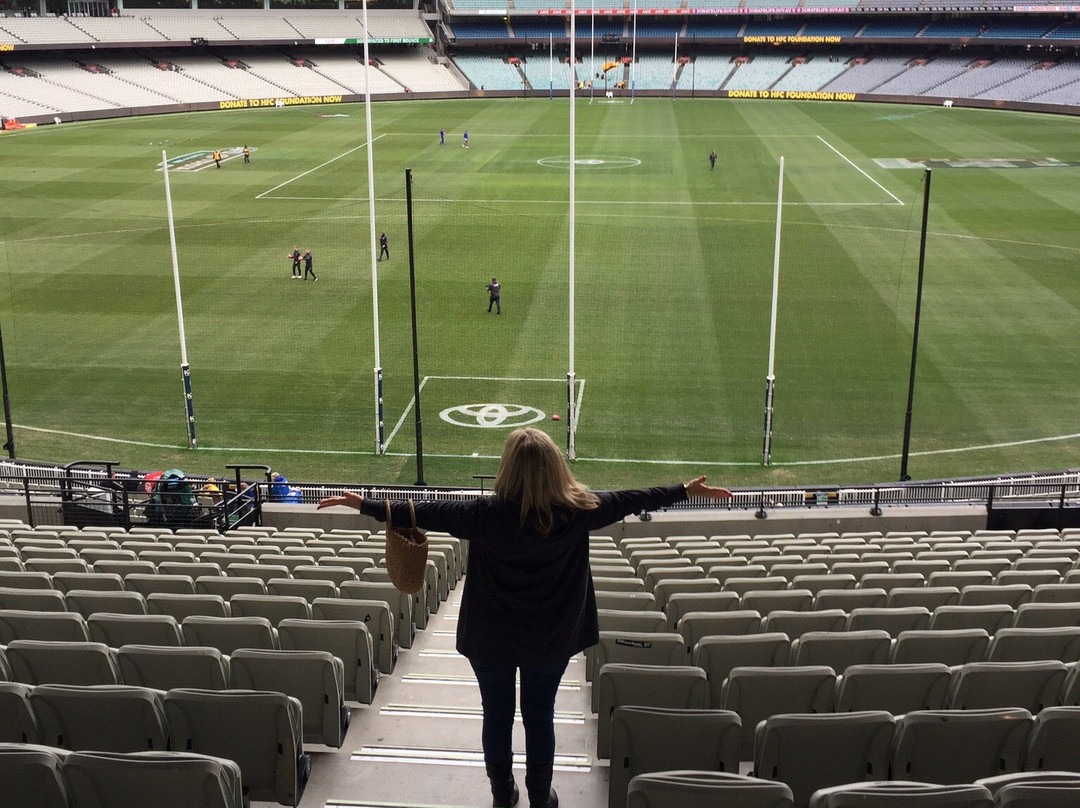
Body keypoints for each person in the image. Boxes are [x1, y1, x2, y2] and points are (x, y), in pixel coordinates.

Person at [317, 427, 732, 808]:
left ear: (508, 468)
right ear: (555, 467)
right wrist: (683, 489)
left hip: (490, 639)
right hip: (549, 641)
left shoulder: (483, 515)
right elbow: (632, 499)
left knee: (495, 715)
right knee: (540, 716)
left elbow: (424, 511)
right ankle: (538, 796)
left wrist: (366, 504)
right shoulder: (579, 510)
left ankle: (503, 794)